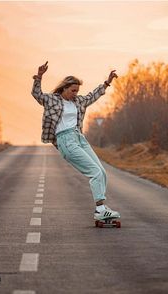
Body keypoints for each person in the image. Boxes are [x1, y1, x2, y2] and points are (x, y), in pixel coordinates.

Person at [31, 61, 120, 220]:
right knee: (94, 172)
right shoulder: (52, 100)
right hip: (66, 140)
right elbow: (37, 94)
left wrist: (107, 82)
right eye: (73, 90)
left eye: (77, 91)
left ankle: (101, 207)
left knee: (102, 172)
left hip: (79, 138)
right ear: (64, 88)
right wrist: (39, 77)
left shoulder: (78, 101)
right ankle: (100, 209)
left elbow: (93, 95)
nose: (75, 93)